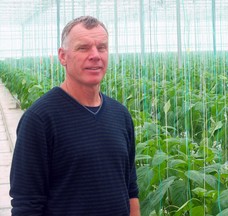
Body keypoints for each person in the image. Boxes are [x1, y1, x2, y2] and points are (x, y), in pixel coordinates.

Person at [10, 16, 140, 216]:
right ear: (63, 56)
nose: (95, 55)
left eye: (102, 47)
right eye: (83, 48)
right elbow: (27, 204)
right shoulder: (40, 119)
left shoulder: (120, 115)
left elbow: (130, 188)